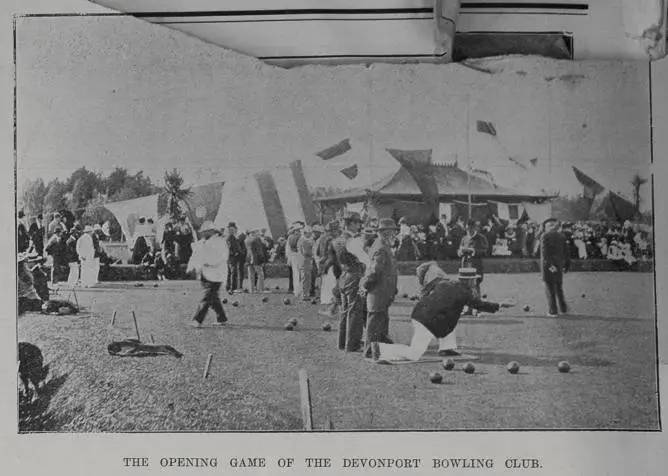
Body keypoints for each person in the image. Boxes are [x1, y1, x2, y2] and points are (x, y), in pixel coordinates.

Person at [370, 262, 513, 363]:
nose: (475, 283)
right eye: (474, 281)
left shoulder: (445, 282)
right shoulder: (464, 293)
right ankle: (380, 349)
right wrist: (500, 305)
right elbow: (480, 305)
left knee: (449, 317)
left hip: (420, 314)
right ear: (469, 281)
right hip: (426, 323)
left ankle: (447, 347)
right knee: (414, 354)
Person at [360, 218, 398, 358]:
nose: (394, 234)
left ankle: (381, 342)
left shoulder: (383, 245)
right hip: (378, 290)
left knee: (381, 317)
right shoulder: (381, 248)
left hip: (383, 289)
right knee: (375, 319)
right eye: (392, 231)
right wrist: (365, 286)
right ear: (385, 232)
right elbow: (374, 271)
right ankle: (370, 349)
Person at [331, 212, 368, 352]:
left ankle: (343, 342)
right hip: (355, 275)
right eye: (358, 223)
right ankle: (353, 344)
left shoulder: (337, 240)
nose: (359, 226)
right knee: (355, 311)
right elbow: (365, 260)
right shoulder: (353, 241)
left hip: (344, 275)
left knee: (345, 311)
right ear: (351, 223)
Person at [187, 221, 229, 328]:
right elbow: (196, 254)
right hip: (205, 274)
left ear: (211, 231)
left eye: (204, 232)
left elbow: (223, 257)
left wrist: (209, 262)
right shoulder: (203, 242)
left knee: (207, 297)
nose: (202, 234)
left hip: (217, 274)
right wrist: (191, 267)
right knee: (213, 297)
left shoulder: (220, 242)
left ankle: (197, 320)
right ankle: (222, 318)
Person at [540, 218, 570, 317]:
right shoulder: (561, 236)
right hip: (559, 265)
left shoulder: (545, 235)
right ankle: (563, 309)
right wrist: (566, 265)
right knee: (558, 287)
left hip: (548, 265)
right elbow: (567, 253)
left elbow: (545, 254)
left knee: (549, 288)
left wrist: (550, 265)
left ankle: (553, 311)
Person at [225, 222, 242, 293]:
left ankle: (229, 287)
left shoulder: (230, 237)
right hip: (232, 257)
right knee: (233, 272)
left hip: (230, 257)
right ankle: (232, 288)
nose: (233, 230)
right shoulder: (230, 237)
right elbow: (229, 248)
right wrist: (235, 253)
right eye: (231, 229)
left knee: (230, 272)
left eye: (233, 229)